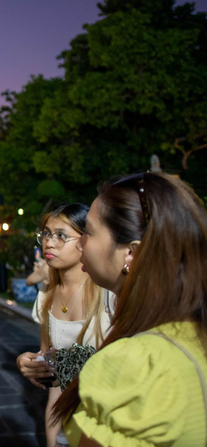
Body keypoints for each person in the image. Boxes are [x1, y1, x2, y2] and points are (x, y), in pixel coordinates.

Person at [54, 172, 207, 446]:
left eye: (88, 231)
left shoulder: (135, 363)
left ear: (132, 254)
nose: (79, 243)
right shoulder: (193, 333)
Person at [16, 204, 111, 447]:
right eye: (46, 233)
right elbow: (55, 385)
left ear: (85, 240)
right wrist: (30, 363)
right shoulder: (47, 295)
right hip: (69, 428)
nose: (48, 242)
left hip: (109, 429)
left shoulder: (109, 295)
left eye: (61, 235)